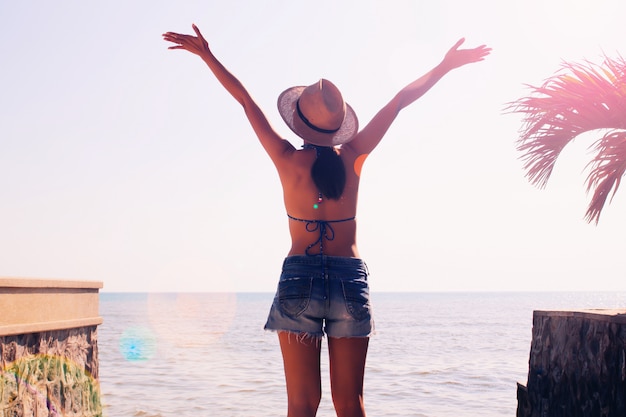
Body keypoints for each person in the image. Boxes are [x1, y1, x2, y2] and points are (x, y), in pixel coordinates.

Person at [163, 24, 490, 417]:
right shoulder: (353, 156)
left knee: (302, 404)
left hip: (298, 276)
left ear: (299, 122)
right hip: (348, 279)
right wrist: (445, 66)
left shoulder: (286, 159)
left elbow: (247, 103)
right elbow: (399, 101)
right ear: (338, 125)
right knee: (350, 403)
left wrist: (207, 56)